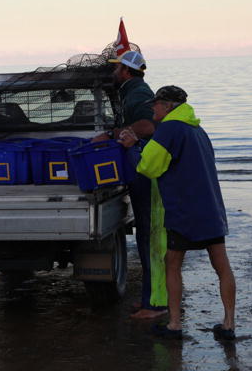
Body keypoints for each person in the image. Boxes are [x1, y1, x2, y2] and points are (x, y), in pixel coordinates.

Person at [118, 86, 236, 340]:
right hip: (212, 209)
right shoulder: (197, 129)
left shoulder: (169, 129)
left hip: (184, 211)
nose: (152, 108)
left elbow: (148, 167)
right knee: (222, 267)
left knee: (172, 264)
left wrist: (130, 147)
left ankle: (174, 324)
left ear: (168, 106)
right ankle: (228, 324)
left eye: (156, 104)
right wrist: (141, 144)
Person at [95, 49, 168, 319]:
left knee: (150, 237)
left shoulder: (136, 91)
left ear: (126, 71)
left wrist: (113, 134)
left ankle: (156, 304)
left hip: (145, 173)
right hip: (142, 170)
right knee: (147, 237)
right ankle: (151, 298)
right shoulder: (132, 89)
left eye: (116, 69)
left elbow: (148, 126)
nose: (113, 73)